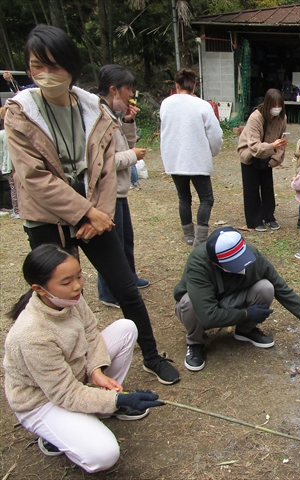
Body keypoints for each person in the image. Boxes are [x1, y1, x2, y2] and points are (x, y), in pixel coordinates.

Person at [5, 25, 179, 385]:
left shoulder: (91, 108)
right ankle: (55, 371)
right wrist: (85, 212)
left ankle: (151, 355)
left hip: (96, 217)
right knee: (58, 297)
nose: (46, 74)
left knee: (127, 288)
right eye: (38, 65)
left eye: (55, 65)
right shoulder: (20, 112)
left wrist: (100, 215)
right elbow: (34, 177)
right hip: (48, 221)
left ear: (72, 67)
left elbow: (102, 170)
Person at [3, 244, 164, 472]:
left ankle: (96, 408)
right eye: (66, 282)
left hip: (73, 375)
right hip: (44, 400)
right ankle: (53, 434)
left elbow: (91, 333)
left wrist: (96, 370)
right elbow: (64, 392)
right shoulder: (31, 335)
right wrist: (118, 400)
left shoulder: (70, 298)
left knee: (126, 328)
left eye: (78, 276)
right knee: (104, 455)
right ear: (39, 289)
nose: (77, 285)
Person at [173, 226, 300, 371]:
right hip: (205, 306)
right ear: (216, 263)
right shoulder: (199, 264)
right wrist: (246, 314)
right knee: (188, 303)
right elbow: (208, 316)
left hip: (233, 298)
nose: (242, 269)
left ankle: (244, 331)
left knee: (266, 287)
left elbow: (282, 289)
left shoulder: (252, 254)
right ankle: (195, 343)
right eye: (234, 265)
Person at [95, 65, 149, 308]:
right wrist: (132, 156)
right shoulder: (98, 118)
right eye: (128, 89)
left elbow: (125, 144)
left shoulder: (112, 116)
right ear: (114, 90)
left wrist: (128, 121)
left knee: (125, 239)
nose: (131, 94)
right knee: (110, 245)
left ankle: (128, 278)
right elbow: (102, 161)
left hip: (119, 191)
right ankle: (108, 292)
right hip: (107, 192)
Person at [160, 68, 223, 246]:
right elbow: (215, 134)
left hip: (174, 157)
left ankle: (188, 234)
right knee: (206, 198)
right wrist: (214, 150)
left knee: (184, 197)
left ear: (176, 85)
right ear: (194, 85)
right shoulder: (202, 105)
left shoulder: (166, 103)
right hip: (197, 158)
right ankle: (201, 237)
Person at [237, 88, 288, 231]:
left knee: (267, 186)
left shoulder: (282, 118)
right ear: (267, 105)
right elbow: (253, 146)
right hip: (250, 154)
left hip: (268, 154)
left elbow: (282, 143)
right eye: (274, 106)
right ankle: (255, 220)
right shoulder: (255, 118)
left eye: (279, 106)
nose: (276, 109)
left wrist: (274, 160)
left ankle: (269, 216)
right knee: (251, 188)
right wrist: (272, 145)